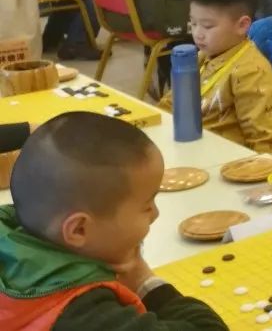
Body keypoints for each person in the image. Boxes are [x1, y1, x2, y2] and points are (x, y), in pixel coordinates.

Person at [0, 112, 229, 329]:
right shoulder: (88, 315)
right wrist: (143, 280)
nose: (156, 214)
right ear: (79, 230)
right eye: (147, 206)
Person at [158, 0, 272, 157]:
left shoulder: (251, 72)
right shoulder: (202, 56)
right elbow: (171, 104)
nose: (198, 34)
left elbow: (266, 145)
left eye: (207, 26)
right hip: (192, 148)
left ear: (242, 25)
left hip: (225, 160)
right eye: (193, 24)